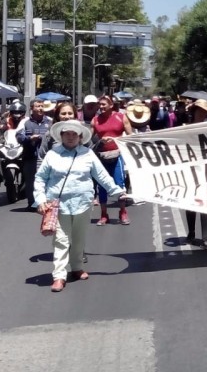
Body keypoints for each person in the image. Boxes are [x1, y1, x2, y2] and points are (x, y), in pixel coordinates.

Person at [34, 120, 128, 292]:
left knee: (79, 239)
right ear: (61, 136)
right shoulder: (53, 154)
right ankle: (59, 276)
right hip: (58, 204)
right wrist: (40, 199)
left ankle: (76, 267)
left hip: (83, 203)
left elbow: (102, 176)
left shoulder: (88, 154)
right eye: (67, 134)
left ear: (80, 137)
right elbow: (40, 178)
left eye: (74, 134)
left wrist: (117, 191)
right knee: (61, 240)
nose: (70, 137)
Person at [91, 95, 130, 226]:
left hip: (117, 155)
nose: (101, 107)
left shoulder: (121, 117)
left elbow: (131, 137)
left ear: (111, 105)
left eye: (104, 104)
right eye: (100, 105)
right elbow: (88, 140)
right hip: (101, 157)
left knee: (119, 184)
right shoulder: (95, 120)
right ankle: (103, 214)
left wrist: (116, 141)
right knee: (102, 185)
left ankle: (123, 212)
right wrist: (100, 141)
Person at [185, 99, 207, 249]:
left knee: (205, 203)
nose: (202, 113)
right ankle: (191, 233)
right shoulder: (185, 128)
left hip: (206, 169)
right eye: (199, 110)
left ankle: (205, 238)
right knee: (190, 202)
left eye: (205, 111)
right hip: (190, 168)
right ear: (194, 111)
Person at [15, 98, 53, 210]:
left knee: (47, 180)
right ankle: (32, 203)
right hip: (30, 156)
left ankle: (46, 202)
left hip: (47, 158)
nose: (40, 108)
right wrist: (29, 138)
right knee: (30, 181)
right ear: (32, 108)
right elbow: (18, 137)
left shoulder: (50, 122)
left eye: (42, 106)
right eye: (38, 106)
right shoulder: (25, 122)